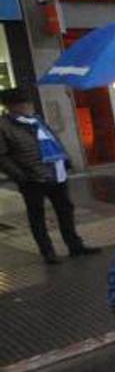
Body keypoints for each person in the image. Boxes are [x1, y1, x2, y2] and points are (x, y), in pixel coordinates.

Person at [0, 86, 97, 264]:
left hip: (56, 173)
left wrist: (65, 159)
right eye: (21, 103)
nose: (26, 106)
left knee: (65, 210)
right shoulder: (4, 126)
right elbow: (2, 156)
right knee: (37, 216)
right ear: (10, 106)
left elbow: (54, 140)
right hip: (32, 178)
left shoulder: (36, 120)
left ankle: (75, 245)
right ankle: (48, 252)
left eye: (26, 102)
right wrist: (20, 176)